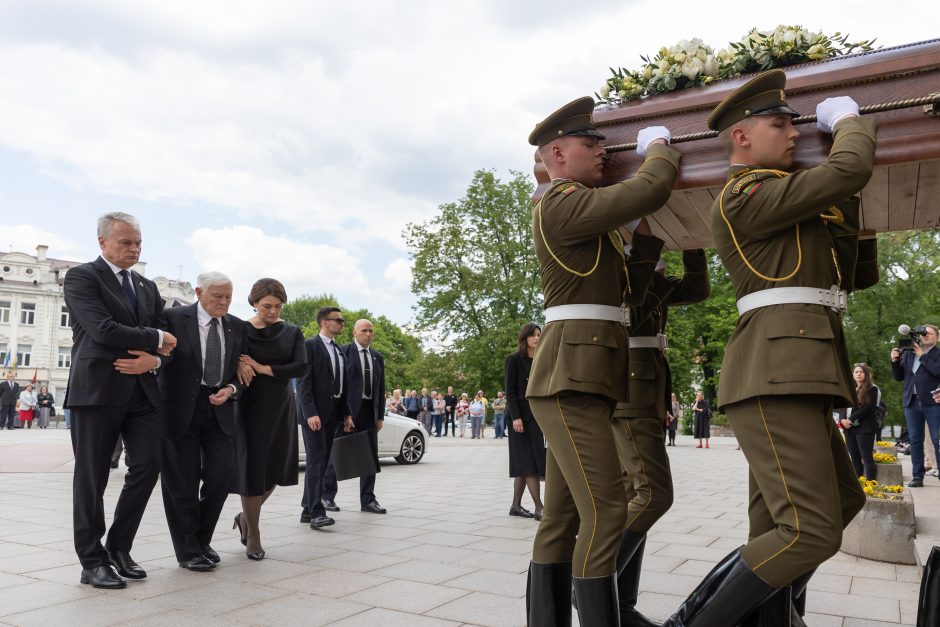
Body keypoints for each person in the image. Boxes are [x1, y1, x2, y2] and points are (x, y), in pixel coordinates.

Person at [662, 69, 880, 626]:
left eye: (794, 123)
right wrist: (850, 122)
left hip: (799, 371)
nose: (793, 133)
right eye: (779, 123)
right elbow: (850, 164)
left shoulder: (787, 204)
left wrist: (853, 203)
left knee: (830, 507)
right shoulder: (744, 194)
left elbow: (852, 276)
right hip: (773, 373)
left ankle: (770, 616)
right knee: (807, 531)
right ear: (741, 136)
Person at [524, 95, 680, 625]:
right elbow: (651, 185)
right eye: (591, 143)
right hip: (570, 375)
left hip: (586, 373)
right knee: (609, 508)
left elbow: (631, 298)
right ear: (557, 153)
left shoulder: (583, 213)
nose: (602, 152)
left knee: (563, 515)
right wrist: (658, 144)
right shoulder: (558, 200)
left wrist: (641, 247)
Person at [63, 211, 175, 589]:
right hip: (96, 391)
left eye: (138, 242)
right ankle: (91, 560)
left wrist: (155, 358)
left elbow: (169, 341)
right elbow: (102, 329)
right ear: (102, 242)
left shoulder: (146, 287)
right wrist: (157, 339)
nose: (134, 248)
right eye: (125, 242)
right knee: (92, 477)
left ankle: (118, 548)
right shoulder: (81, 277)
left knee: (148, 465)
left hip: (142, 389)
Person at [610, 229, 710, 626]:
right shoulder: (622, 275)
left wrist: (691, 240)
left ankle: (619, 602)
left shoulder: (650, 280)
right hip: (631, 391)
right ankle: (591, 580)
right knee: (652, 494)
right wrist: (648, 263)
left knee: (633, 496)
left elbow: (697, 289)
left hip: (643, 388)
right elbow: (633, 308)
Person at [160, 271, 248, 571]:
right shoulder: (172, 319)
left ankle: (200, 539)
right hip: (180, 410)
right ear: (199, 292)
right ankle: (187, 551)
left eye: (229, 297)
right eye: (218, 296)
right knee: (181, 483)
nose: (224, 302)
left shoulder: (237, 327)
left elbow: (243, 373)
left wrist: (232, 388)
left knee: (221, 478)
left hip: (220, 409)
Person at [232, 278, 306, 561]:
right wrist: (239, 362)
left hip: (282, 405)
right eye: (266, 306)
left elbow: (299, 365)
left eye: (277, 306)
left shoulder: (292, 332)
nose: (273, 311)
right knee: (253, 469)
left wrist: (262, 367)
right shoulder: (240, 329)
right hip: (250, 406)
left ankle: (244, 516)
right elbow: (231, 358)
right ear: (254, 303)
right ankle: (254, 534)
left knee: (276, 468)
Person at [322, 318, 388, 515]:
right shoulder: (343, 352)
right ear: (354, 332)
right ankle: (326, 496)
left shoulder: (377, 357)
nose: (368, 334)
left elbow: (381, 388)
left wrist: (379, 416)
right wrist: (345, 413)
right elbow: (337, 384)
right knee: (336, 455)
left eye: (371, 331)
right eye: (364, 330)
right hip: (347, 413)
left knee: (370, 456)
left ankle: (368, 500)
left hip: (369, 412)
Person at [298, 307, 354, 529]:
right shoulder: (310, 346)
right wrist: (310, 412)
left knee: (320, 461)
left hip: (333, 413)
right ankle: (316, 512)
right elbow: (303, 383)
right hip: (315, 414)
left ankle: (306, 508)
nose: (342, 324)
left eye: (342, 321)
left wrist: (347, 413)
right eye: (338, 320)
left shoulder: (338, 350)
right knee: (317, 461)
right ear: (324, 322)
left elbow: (341, 385)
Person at [505, 323, 546, 523]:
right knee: (528, 462)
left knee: (526, 461)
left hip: (537, 417)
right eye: (532, 335)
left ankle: (515, 506)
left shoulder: (541, 360)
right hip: (518, 418)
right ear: (525, 338)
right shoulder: (513, 360)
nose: (536, 338)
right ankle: (540, 507)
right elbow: (510, 392)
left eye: (539, 334)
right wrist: (516, 417)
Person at [891, 324, 940, 487]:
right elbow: (898, 377)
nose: (925, 335)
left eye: (929, 333)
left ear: (937, 338)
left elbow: (937, 371)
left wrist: (922, 355)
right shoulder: (909, 354)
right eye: (923, 333)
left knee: (936, 439)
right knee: (915, 440)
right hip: (911, 402)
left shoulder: (937, 354)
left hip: (933, 402)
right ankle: (917, 476)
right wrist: (895, 360)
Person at [840, 363, 882, 481]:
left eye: (861, 372)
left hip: (865, 428)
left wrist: (850, 419)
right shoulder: (849, 389)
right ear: (853, 375)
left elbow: (869, 408)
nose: (858, 374)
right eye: (856, 372)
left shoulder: (872, 389)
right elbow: (842, 405)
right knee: (854, 458)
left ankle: (870, 485)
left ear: (866, 374)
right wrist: (842, 419)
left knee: (867, 458)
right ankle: (858, 484)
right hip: (849, 428)